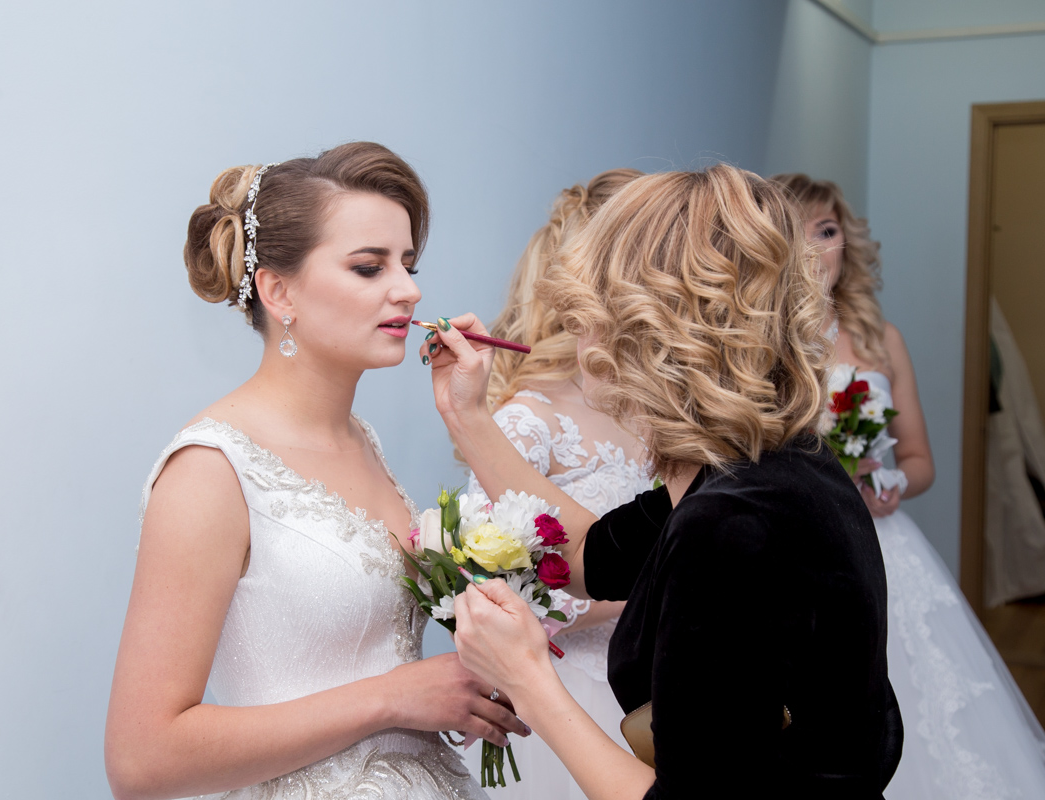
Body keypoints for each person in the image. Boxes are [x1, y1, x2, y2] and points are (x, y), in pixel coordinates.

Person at [421, 164, 903, 799]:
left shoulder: (732, 525)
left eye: (588, 310)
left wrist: (528, 679)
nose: (574, 330)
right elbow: (586, 553)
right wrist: (468, 415)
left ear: (650, 330)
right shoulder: (758, 466)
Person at [104, 143, 520, 800]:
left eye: (408, 264)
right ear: (279, 291)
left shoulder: (362, 442)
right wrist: (391, 697)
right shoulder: (212, 470)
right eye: (369, 267)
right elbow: (140, 761)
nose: (408, 289)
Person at [774, 172, 1045, 800]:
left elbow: (920, 460)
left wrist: (891, 482)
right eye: (799, 232)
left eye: (828, 231)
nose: (817, 249)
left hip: (885, 544)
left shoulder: (881, 338)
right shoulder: (763, 341)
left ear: (846, 241)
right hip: (801, 549)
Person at [456, 168, 651, 798]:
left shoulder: (658, 410)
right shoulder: (528, 421)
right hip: (573, 697)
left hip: (657, 682)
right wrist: (657, 591)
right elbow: (493, 588)